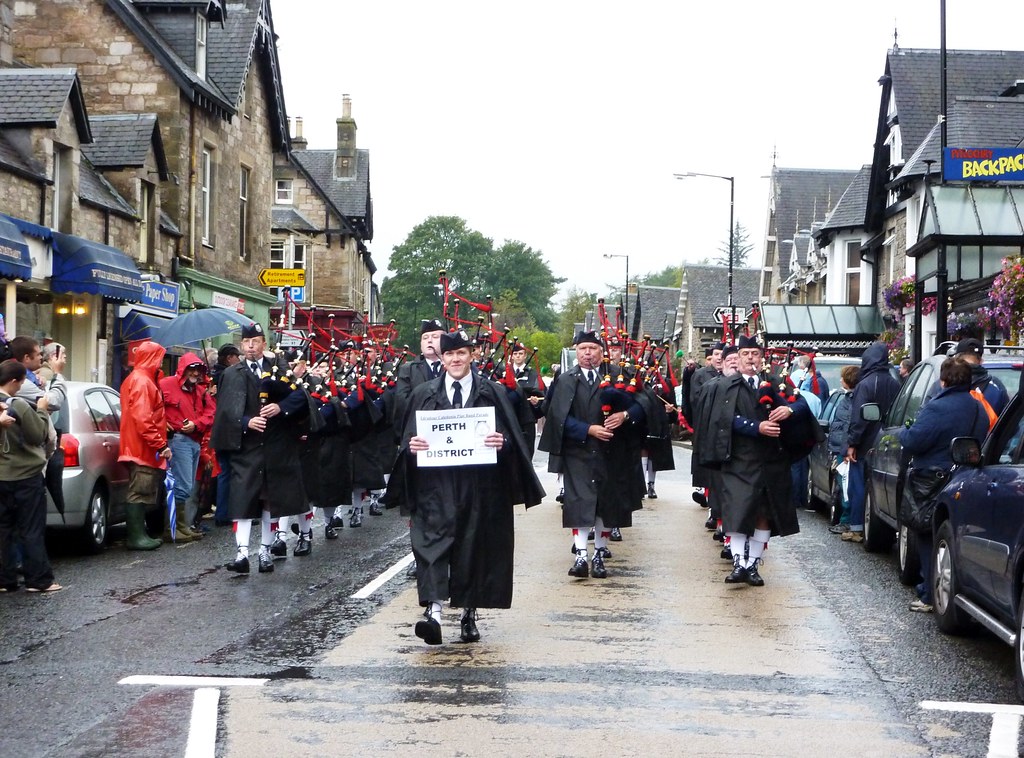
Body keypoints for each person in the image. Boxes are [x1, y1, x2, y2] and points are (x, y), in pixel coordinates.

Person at [387, 329, 544, 644]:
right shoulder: (424, 394)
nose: (455, 359)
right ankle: (432, 612)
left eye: (461, 353)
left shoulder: (493, 393)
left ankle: (468, 613)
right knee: (430, 546)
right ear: (442, 358)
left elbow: (517, 434)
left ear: (471, 355)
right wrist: (412, 447)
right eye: (449, 354)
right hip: (436, 486)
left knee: (473, 548)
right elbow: (405, 439)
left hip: (479, 486)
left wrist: (504, 443)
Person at [695, 335, 807, 586]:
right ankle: (739, 563)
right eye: (745, 354)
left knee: (763, 514)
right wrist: (757, 427)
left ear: (761, 356)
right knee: (737, 512)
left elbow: (803, 406)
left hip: (771, 461)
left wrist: (789, 410)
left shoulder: (776, 383)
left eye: (755, 354)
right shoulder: (725, 385)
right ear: (739, 357)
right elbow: (724, 419)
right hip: (738, 459)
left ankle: (753, 564)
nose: (750, 359)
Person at [538, 330, 647, 580]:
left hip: (613, 452)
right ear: (576, 352)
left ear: (602, 351)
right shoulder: (565, 380)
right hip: (579, 451)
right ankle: (580, 557)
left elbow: (644, 405)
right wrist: (588, 429)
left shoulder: (621, 376)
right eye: (582, 348)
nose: (587, 353)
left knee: (605, 504)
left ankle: (599, 552)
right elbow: (557, 416)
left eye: (593, 348)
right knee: (580, 502)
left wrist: (625, 416)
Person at [211, 322, 318, 574]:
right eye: (246, 342)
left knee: (271, 500)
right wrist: (247, 421)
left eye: (256, 341)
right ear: (241, 345)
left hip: (274, 445)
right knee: (243, 499)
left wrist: (281, 407)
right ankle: (242, 554)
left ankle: (265, 551)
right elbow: (225, 410)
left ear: (263, 344)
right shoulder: (231, 374)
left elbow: (302, 395)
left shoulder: (277, 369)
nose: (250, 346)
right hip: (246, 446)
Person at [899, 357, 989, 613]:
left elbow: (914, 440)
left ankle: (929, 592)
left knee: (928, 534)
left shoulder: (937, 408)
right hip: (965, 476)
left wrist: (906, 432)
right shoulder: (977, 408)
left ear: (944, 380)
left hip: (932, 478)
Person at [0, 359, 61, 592]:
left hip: (1, 477)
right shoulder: (20, 405)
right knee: (30, 529)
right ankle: (39, 580)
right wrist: (43, 411)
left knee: (4, 530)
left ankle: (5, 580)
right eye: (22, 381)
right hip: (26, 477)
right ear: (14, 381)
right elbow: (39, 435)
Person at [843, 342, 901, 544]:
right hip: (888, 442)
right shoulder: (895, 383)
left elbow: (859, 418)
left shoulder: (865, 384)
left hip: (865, 444)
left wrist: (852, 443)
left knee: (858, 486)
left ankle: (856, 527)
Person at [116, 340, 170, 551]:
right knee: (139, 490)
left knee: (141, 489)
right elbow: (143, 418)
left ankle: (139, 534)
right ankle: (136, 536)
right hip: (141, 448)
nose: (161, 363)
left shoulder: (138, 379)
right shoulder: (143, 382)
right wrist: (159, 445)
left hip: (137, 445)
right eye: (160, 358)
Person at [160, 352, 215, 543]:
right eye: (191, 369)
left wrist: (196, 424)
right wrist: (163, 423)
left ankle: (180, 527)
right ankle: (174, 528)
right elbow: (154, 407)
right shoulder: (166, 384)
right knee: (182, 486)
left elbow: (211, 413)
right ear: (183, 369)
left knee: (187, 485)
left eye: (198, 369)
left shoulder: (200, 391)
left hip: (194, 441)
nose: (195, 373)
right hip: (178, 440)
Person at [826, 365, 859, 535]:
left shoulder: (850, 400)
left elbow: (847, 426)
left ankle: (847, 521)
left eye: (842, 377)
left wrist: (846, 450)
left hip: (844, 450)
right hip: (842, 448)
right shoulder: (847, 398)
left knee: (845, 487)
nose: (840, 380)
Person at [210, 343, 240, 526]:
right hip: (228, 431)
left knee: (225, 472)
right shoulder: (229, 376)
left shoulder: (215, 377)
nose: (239, 360)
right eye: (237, 356)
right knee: (231, 472)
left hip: (218, 432)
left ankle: (223, 513)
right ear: (230, 358)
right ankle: (227, 513)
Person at [954, 337, 1009, 417]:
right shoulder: (997, 387)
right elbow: (1008, 421)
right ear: (981, 361)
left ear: (956, 359)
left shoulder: (944, 382)